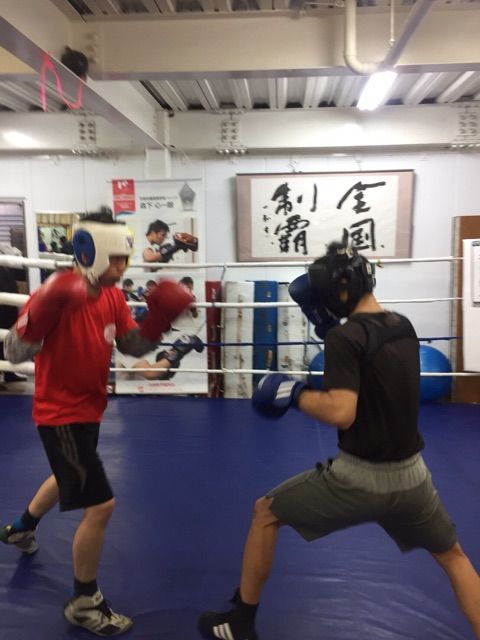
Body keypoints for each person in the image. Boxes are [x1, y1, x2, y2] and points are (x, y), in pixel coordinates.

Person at [198, 241, 480, 640]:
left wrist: (294, 393)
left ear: (340, 290)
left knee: (265, 512)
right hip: (414, 478)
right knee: (454, 557)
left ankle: (240, 623)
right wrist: (335, 332)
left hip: (359, 479)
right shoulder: (402, 325)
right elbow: (375, 368)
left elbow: (341, 411)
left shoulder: (346, 339)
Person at [0, 210, 194, 637]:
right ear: (88, 252)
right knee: (101, 504)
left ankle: (21, 529)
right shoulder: (56, 291)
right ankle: (84, 602)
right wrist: (47, 305)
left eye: (125, 258)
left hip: (90, 408)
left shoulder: (112, 296)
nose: (122, 268)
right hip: (59, 415)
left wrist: (158, 321)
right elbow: (13, 352)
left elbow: (131, 345)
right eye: (115, 259)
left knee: (65, 475)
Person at [119, 333, 204, 381]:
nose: (162, 338)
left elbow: (155, 376)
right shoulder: (128, 351)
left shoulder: (136, 352)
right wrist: (177, 351)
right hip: (126, 400)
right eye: (158, 333)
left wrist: (168, 363)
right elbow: (150, 373)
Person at [0, 243, 28, 385]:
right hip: (3, 307)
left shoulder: (4, 253)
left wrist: (14, 254)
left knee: (7, 339)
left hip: (8, 307)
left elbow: (21, 273)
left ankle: (9, 373)